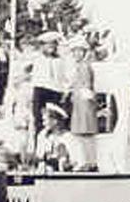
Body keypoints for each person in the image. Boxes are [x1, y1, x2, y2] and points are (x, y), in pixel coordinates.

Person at [30, 30, 69, 145]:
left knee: (55, 119)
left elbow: (64, 77)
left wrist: (64, 92)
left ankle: (56, 145)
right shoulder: (37, 58)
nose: (51, 47)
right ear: (42, 46)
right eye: (48, 44)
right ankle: (40, 146)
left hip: (55, 91)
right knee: (40, 120)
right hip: (41, 90)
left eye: (53, 44)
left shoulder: (60, 60)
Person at [66, 35, 98, 170]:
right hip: (79, 102)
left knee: (85, 132)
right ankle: (86, 161)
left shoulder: (85, 66)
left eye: (79, 51)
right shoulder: (78, 66)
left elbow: (86, 86)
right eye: (74, 51)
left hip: (84, 102)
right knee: (80, 133)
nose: (76, 54)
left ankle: (90, 162)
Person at [35, 103, 74, 173]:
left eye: (45, 120)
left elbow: (73, 161)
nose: (43, 124)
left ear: (55, 121)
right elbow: (39, 157)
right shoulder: (42, 136)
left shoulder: (67, 137)